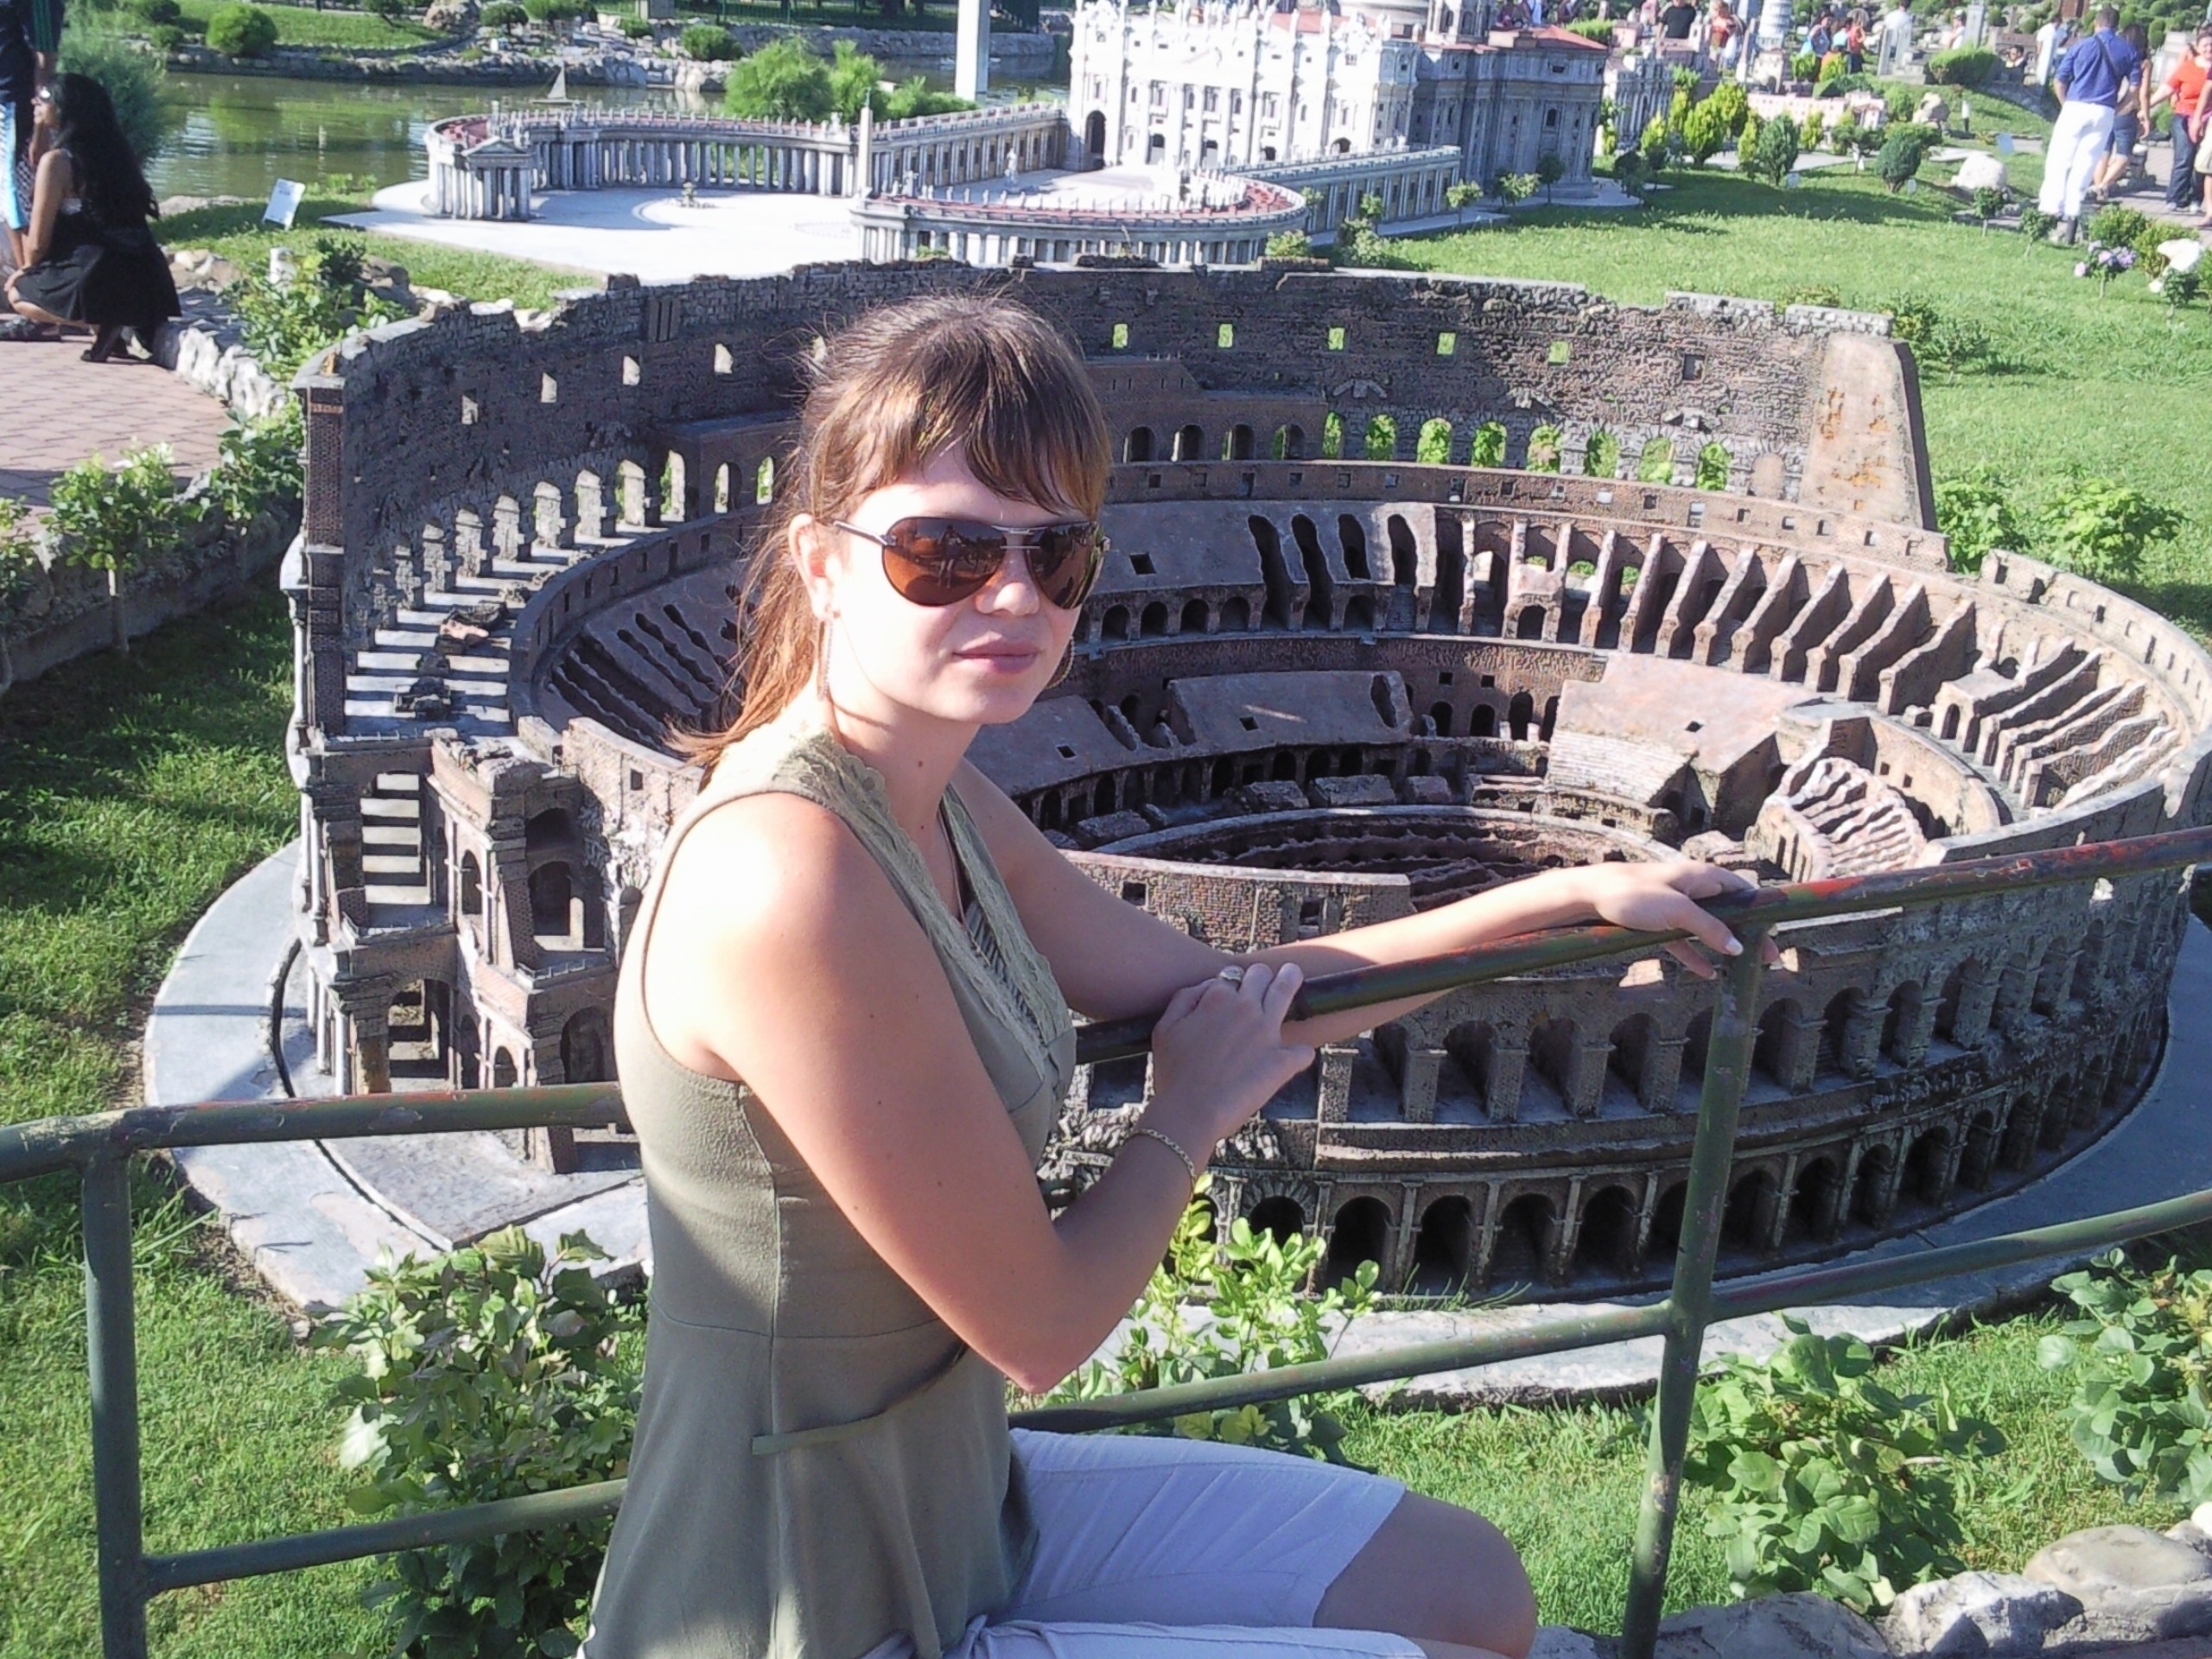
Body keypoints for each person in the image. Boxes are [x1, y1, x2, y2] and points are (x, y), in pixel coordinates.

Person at [576, 294, 1764, 1659]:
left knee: (1469, 1590)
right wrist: (1185, 1116)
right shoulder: (789, 877)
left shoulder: (944, 806)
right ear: (823, 564)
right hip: (807, 1598)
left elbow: (1240, 997)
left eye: (1055, 554)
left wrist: (1560, 900)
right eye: (943, 553)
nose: (1013, 597)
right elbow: (1041, 1329)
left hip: (959, 1506)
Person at [3, 74, 179, 359]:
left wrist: (25, 271)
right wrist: (39, 127)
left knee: (18, 294)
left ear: (66, 108)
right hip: (148, 278)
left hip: (96, 275)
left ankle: (101, 324)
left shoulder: (59, 162)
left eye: (45, 97)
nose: (35, 101)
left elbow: (36, 243)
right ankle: (110, 331)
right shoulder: (119, 156)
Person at [2038, 5, 2142, 232]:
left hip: (2076, 105)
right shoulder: (2128, 50)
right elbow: (2134, 88)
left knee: (2060, 159)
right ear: (2117, 25)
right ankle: (2073, 210)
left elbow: (2060, 79)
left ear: (2096, 23)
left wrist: (2065, 103)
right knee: (2086, 162)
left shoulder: (2081, 45)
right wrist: (2118, 107)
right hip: (2104, 109)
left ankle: (2051, 208)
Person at [0, 0, 63, 272]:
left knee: (15, 193)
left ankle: (30, 278)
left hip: (15, 102)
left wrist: (41, 128)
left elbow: (46, 60)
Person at [2148, 29, 2212, 213]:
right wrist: (2147, 107)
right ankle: (2175, 198)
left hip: (2208, 119)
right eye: (2205, 45)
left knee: (2202, 161)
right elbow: (2168, 88)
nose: (2209, 48)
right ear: (2197, 48)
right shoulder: (2188, 67)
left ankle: (2195, 199)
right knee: (2184, 157)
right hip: (2184, 116)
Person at [2089, 22, 2152, 200]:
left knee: (2104, 152)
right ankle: (2103, 185)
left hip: (2109, 106)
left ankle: (2097, 188)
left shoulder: (2118, 54)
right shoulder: (2144, 63)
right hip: (2127, 110)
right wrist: (2146, 117)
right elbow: (2144, 93)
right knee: (2124, 155)